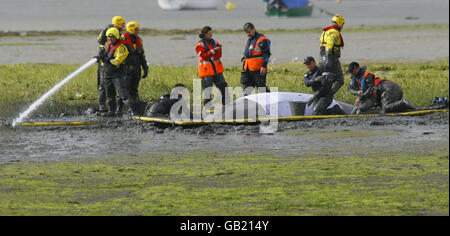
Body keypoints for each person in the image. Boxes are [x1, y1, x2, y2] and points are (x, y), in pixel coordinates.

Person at [347, 62, 416, 114]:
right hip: (388, 89)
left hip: (390, 89)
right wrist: (357, 93)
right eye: (350, 72)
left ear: (357, 69)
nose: (351, 73)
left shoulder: (367, 76)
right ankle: (402, 105)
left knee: (385, 109)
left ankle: (403, 102)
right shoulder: (355, 78)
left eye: (352, 71)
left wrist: (361, 98)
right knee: (388, 108)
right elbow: (351, 89)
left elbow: (371, 91)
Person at [101, 27, 135, 117]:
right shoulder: (109, 45)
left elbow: (117, 61)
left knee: (123, 94)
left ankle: (133, 111)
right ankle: (112, 111)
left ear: (116, 36)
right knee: (110, 94)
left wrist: (108, 60)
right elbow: (105, 56)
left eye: (111, 37)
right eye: (108, 37)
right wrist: (100, 56)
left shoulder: (121, 48)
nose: (109, 38)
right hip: (108, 74)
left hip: (118, 74)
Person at [96, 16, 126, 113]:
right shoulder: (110, 32)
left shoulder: (116, 34)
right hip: (105, 64)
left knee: (111, 87)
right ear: (117, 24)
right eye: (122, 24)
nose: (124, 26)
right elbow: (103, 45)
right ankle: (102, 107)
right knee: (102, 84)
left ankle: (112, 109)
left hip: (111, 64)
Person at [195, 26, 229, 106]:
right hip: (206, 72)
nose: (211, 35)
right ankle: (207, 109)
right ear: (204, 34)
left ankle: (227, 105)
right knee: (207, 91)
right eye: (209, 33)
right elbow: (204, 56)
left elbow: (219, 55)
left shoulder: (214, 42)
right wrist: (213, 51)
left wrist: (217, 50)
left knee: (224, 87)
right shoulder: (200, 45)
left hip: (217, 71)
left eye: (211, 33)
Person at [122, 21, 149, 115]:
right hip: (126, 69)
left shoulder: (139, 40)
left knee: (134, 90)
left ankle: (134, 110)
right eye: (136, 29)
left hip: (136, 70)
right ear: (131, 29)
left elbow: (142, 56)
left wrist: (145, 68)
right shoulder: (123, 39)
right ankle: (119, 110)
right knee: (124, 90)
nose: (138, 31)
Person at [241, 22, 272, 96]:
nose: (248, 34)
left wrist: (264, 66)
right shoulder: (250, 40)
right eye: (246, 33)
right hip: (247, 68)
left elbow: (267, 54)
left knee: (262, 88)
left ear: (253, 29)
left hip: (258, 69)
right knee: (246, 89)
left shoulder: (262, 40)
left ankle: (271, 100)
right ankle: (246, 105)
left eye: (249, 32)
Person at [319, 14, 345, 96]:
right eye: (342, 24)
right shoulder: (334, 33)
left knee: (328, 80)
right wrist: (329, 59)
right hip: (331, 59)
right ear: (339, 23)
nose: (342, 27)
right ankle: (327, 96)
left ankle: (322, 96)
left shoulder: (325, 31)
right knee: (340, 80)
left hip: (321, 59)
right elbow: (329, 45)